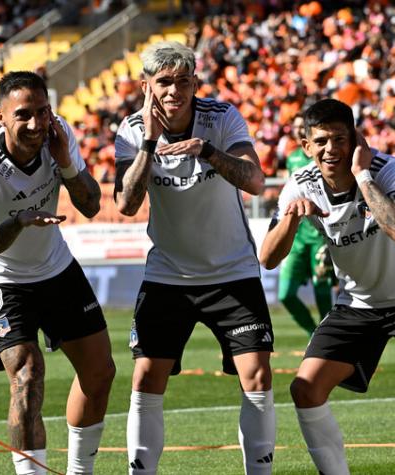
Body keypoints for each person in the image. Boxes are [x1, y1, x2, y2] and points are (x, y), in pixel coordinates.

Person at [260, 99, 395, 475]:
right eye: (320, 141)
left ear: (355, 139)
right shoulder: (301, 184)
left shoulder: (387, 167)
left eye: (339, 139)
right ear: (306, 147)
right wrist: (291, 219)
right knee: (305, 389)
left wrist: (363, 177)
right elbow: (268, 258)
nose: (330, 149)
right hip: (359, 302)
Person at [114, 41, 275, 475]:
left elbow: (255, 181)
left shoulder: (221, 118)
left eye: (182, 81)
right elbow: (127, 204)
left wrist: (205, 150)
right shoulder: (131, 130)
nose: (173, 91)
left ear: (195, 84)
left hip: (232, 271)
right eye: (163, 82)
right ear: (146, 86)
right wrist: (149, 141)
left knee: (257, 376)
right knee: (146, 377)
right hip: (169, 274)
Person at [0, 71, 115, 475]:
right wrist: (19, 222)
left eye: (42, 112)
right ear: (1, 117)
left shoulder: (59, 136)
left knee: (100, 372)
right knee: (27, 377)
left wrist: (65, 161)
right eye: (23, 115)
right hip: (4, 277)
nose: (35, 124)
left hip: (56, 267)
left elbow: (92, 204)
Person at [277, 114, 334, 335]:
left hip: (320, 235)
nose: (300, 130)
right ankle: (314, 334)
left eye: (304, 127)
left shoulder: (324, 158)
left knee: (322, 292)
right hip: (298, 236)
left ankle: (330, 337)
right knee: (285, 294)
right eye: (297, 127)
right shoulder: (291, 159)